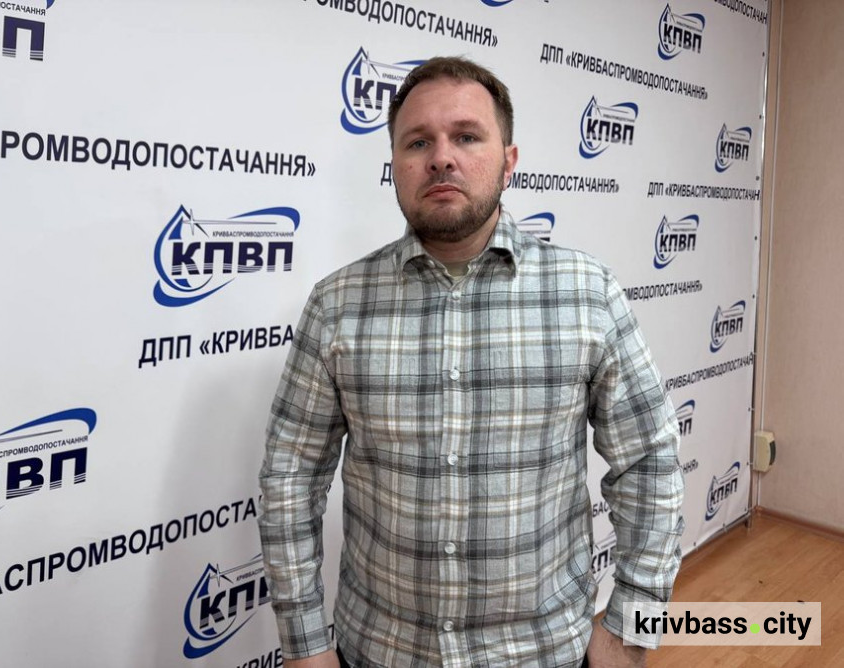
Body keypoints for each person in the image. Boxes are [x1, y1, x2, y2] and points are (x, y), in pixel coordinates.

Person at [258, 56, 684, 668]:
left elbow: (650, 463)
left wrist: (630, 629)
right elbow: (291, 476)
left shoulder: (588, 294)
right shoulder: (336, 305)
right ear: (395, 165)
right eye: (418, 142)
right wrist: (304, 645)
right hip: (380, 652)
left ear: (509, 161)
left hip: (543, 653)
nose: (441, 158)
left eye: (466, 136)